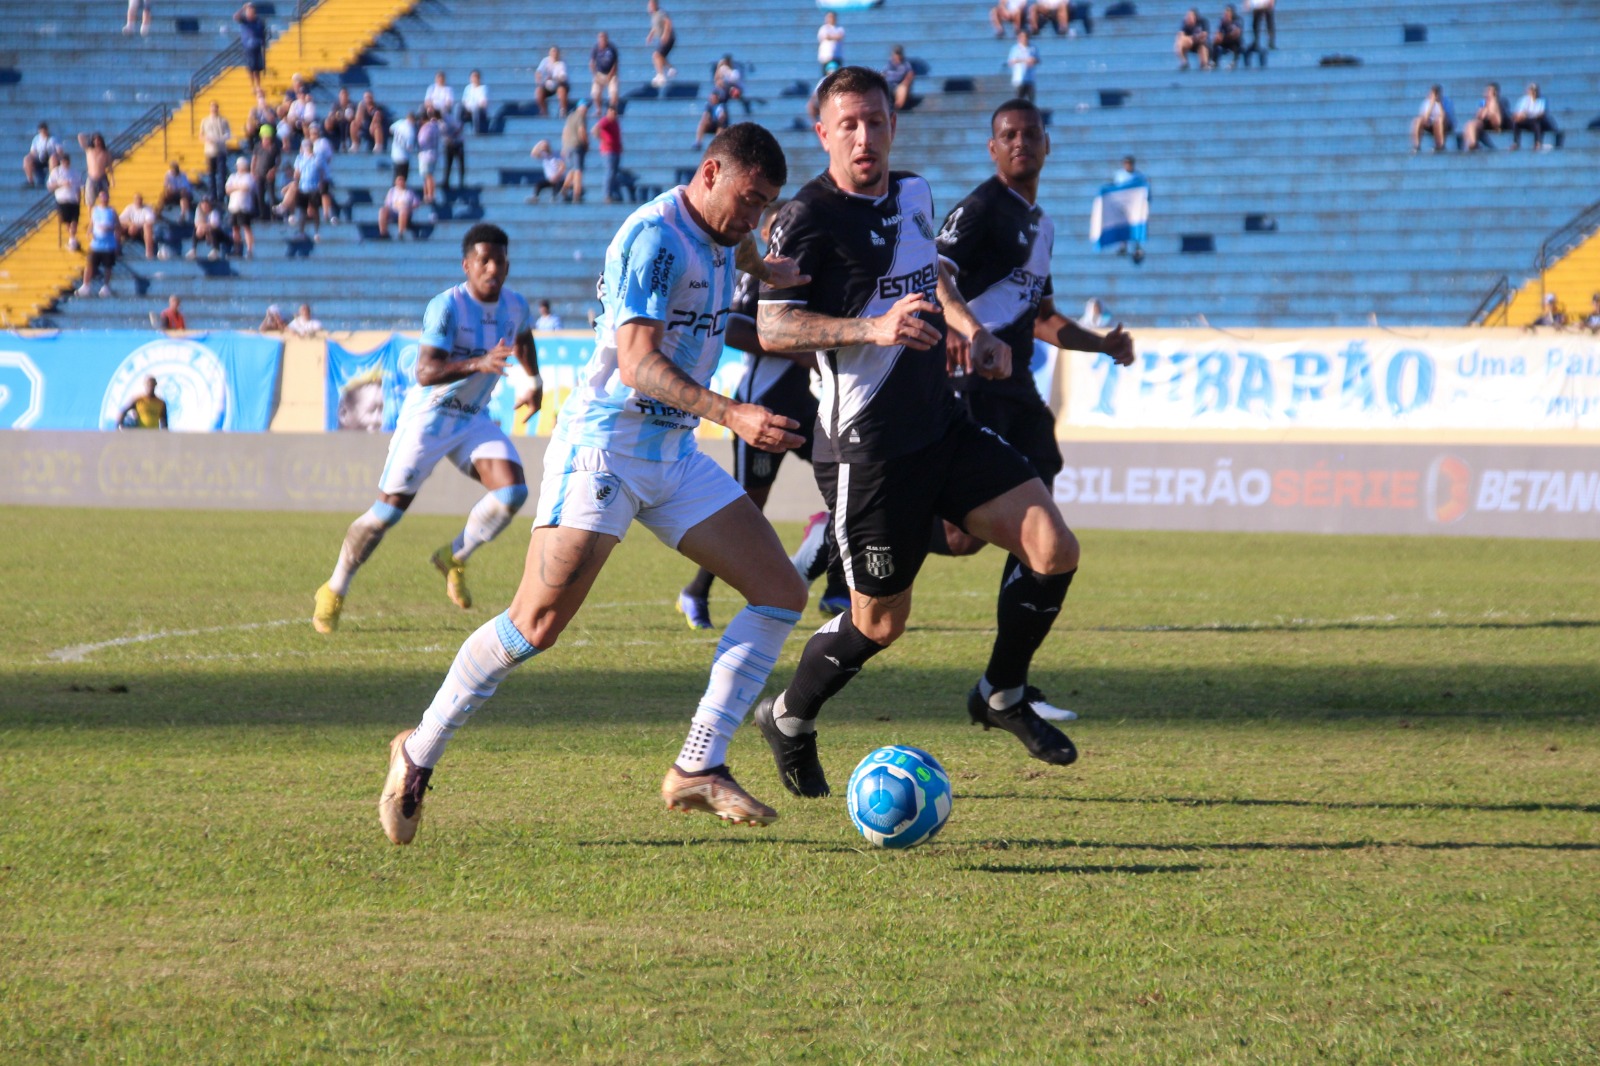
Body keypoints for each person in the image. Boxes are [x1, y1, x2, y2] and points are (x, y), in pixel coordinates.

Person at [375, 127, 809, 846]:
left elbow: (738, 248)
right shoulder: (654, 239)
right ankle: (417, 750)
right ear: (709, 173)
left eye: (765, 206)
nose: (752, 218)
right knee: (535, 625)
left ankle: (698, 765)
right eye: (748, 201)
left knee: (780, 592)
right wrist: (732, 412)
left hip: (672, 452)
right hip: (605, 448)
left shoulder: (725, 230)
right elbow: (638, 364)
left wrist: (768, 269)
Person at [751, 67, 1085, 798]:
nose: (864, 136)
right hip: (867, 451)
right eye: (848, 125)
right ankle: (790, 716)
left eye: (874, 121)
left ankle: (1001, 693)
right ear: (823, 134)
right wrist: (872, 327)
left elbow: (930, 273)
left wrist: (972, 331)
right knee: (878, 624)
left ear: (891, 125)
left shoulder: (914, 192)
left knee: (1052, 547)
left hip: (943, 425)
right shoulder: (804, 218)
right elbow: (771, 327)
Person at [933, 98, 1135, 726]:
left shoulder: (1040, 225)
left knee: (1034, 533)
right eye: (1007, 135)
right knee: (964, 537)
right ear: (992, 148)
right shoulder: (980, 208)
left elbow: (1041, 316)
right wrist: (967, 331)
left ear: (1047, 144)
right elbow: (933, 275)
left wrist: (1099, 343)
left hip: (1018, 392)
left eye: (1030, 133)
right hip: (971, 386)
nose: (1020, 143)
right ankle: (841, 534)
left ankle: (1006, 680)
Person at [314, 224, 539, 637]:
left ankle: (454, 555)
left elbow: (523, 338)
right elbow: (425, 371)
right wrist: (477, 363)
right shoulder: (448, 306)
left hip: (472, 419)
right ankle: (334, 588)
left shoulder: (516, 305)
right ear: (467, 265)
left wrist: (534, 382)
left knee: (512, 492)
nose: (492, 268)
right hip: (429, 420)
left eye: (500, 261)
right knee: (385, 515)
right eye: (483, 261)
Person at [677, 200, 849, 629]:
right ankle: (696, 590)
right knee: (748, 508)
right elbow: (733, 326)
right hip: (763, 407)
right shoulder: (763, 272)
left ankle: (836, 587)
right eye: (778, 230)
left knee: (851, 484)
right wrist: (795, 348)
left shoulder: (817, 273)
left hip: (813, 406)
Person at [78, 189, 120, 297]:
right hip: (96, 244)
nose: (103, 199)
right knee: (89, 264)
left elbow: (118, 226)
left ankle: (106, 286)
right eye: (101, 197)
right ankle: (86, 285)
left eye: (105, 197)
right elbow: (92, 224)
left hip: (109, 244)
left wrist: (111, 229)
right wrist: (89, 233)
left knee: (108, 266)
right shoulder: (95, 210)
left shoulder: (112, 211)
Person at [48, 152, 83, 252]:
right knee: (67, 222)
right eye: (63, 160)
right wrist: (61, 184)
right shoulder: (56, 172)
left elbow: (79, 187)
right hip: (62, 199)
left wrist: (79, 199)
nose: (65, 162)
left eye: (66, 160)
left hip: (73, 200)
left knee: (74, 222)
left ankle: (72, 240)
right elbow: (50, 186)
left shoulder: (75, 172)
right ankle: (72, 239)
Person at [225, 156, 258, 258]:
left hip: (244, 206)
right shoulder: (233, 176)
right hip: (233, 206)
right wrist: (238, 187)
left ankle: (249, 249)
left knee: (246, 228)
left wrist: (234, 187)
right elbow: (227, 189)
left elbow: (246, 187)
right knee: (235, 229)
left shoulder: (249, 177)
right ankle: (237, 248)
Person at [200, 101, 233, 201]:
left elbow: (228, 134)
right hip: (210, 151)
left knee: (221, 174)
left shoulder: (223, 120)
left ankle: (222, 195)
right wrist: (207, 139)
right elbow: (201, 135)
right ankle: (213, 195)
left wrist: (220, 139)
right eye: (212, 107)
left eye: (215, 107)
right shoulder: (205, 121)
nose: (214, 109)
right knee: (211, 174)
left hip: (221, 150)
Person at [1510, 83, 1558, 150]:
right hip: (1527, 121)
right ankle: (1516, 143)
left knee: (1536, 122)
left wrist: (1528, 115)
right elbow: (1518, 114)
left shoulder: (1543, 99)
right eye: (1532, 90)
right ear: (1528, 91)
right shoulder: (1523, 100)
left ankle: (1537, 143)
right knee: (1516, 123)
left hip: (1538, 121)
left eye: (1535, 90)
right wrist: (1523, 116)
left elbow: (1541, 114)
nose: (1534, 92)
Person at [1462, 82, 1507, 151]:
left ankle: (1473, 144)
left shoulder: (1500, 102)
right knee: (1469, 124)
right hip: (1483, 123)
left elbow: (1498, 120)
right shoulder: (1483, 102)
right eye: (1486, 91)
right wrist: (1485, 109)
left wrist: (1492, 103)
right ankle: (1472, 143)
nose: (1487, 93)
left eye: (1489, 91)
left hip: (1495, 123)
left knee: (1492, 106)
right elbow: (1479, 116)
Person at [1410, 84, 1454, 153]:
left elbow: (1444, 117)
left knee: (1439, 120)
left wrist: (1439, 103)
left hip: (1444, 124)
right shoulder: (1426, 102)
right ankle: (1416, 146)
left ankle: (1440, 145)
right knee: (1417, 120)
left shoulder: (1447, 101)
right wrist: (1431, 104)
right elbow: (1424, 118)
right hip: (1430, 124)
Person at [594, 104, 624, 203]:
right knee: (609, 172)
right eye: (612, 112)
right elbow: (595, 130)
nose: (613, 115)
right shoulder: (606, 120)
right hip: (608, 151)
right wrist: (603, 140)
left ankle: (614, 194)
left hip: (616, 150)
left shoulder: (615, 122)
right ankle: (607, 195)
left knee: (614, 173)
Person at [235, 3, 268, 94]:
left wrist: (263, 42)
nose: (250, 13)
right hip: (248, 47)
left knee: (257, 68)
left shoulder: (259, 22)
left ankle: (258, 86)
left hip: (257, 46)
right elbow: (236, 17)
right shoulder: (244, 20)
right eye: (249, 11)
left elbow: (263, 33)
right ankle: (252, 85)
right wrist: (243, 8)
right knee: (251, 68)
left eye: (252, 11)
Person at [560, 101, 589, 203]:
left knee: (572, 169)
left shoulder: (570, 116)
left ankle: (564, 189)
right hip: (576, 145)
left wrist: (563, 146)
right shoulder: (581, 116)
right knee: (578, 170)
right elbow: (582, 131)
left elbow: (564, 132)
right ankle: (577, 194)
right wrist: (586, 143)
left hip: (567, 146)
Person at [376, 173, 419, 238]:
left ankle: (401, 233)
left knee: (403, 210)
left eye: (402, 180)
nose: (401, 182)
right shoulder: (392, 191)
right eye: (399, 180)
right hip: (393, 211)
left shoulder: (409, 191)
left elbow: (416, 203)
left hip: (405, 212)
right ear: (396, 182)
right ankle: (383, 233)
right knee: (382, 210)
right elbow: (387, 204)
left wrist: (408, 208)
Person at [77, 132, 113, 206]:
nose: (97, 142)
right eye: (95, 140)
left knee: (105, 198)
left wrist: (112, 178)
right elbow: (80, 136)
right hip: (91, 177)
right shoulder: (89, 150)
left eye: (98, 140)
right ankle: (90, 216)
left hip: (102, 177)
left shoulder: (105, 152)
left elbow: (110, 166)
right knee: (90, 200)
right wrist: (90, 136)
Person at [646, 0, 677, 88]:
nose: (650, 6)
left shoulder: (661, 12)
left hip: (669, 37)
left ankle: (660, 75)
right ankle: (671, 68)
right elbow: (655, 27)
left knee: (656, 55)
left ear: (655, 4)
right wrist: (650, 35)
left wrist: (665, 34)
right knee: (659, 56)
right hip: (663, 38)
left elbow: (668, 22)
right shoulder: (654, 15)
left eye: (651, 4)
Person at [118, 191, 157, 258]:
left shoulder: (147, 209)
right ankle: (117, 251)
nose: (138, 201)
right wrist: (130, 224)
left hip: (141, 230)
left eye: (139, 199)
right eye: (136, 199)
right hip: (131, 228)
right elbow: (120, 219)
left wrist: (137, 226)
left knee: (147, 227)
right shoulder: (129, 208)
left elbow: (150, 220)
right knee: (117, 227)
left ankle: (149, 253)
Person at [415, 107, 441, 204]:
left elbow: (422, 141)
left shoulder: (427, 128)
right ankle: (427, 194)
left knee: (428, 175)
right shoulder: (434, 125)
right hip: (432, 153)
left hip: (426, 154)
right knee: (427, 176)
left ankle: (430, 195)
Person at [535, 47, 570, 118]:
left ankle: (563, 110)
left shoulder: (562, 63)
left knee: (561, 90)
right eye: (553, 52)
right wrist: (539, 80)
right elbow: (538, 72)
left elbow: (563, 77)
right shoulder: (545, 61)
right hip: (547, 85)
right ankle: (544, 111)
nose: (554, 54)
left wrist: (553, 78)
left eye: (556, 52)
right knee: (538, 91)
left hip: (559, 84)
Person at [23, 122, 61, 187]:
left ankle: (52, 181)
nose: (44, 132)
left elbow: (60, 151)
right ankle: (30, 180)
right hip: (39, 158)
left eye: (45, 130)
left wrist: (55, 156)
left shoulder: (54, 138)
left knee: (53, 158)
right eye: (42, 130)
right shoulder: (36, 139)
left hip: (51, 158)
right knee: (27, 159)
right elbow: (32, 152)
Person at [590, 31, 621, 111]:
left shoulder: (612, 48)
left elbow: (615, 63)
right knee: (595, 93)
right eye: (600, 39)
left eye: (604, 39)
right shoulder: (595, 48)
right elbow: (592, 63)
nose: (602, 41)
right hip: (599, 73)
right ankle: (598, 109)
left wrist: (611, 74)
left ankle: (612, 110)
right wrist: (595, 74)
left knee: (613, 92)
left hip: (611, 73)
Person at [1007, 30, 1040, 103]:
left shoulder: (1033, 48)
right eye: (1022, 37)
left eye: (1025, 37)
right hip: (1019, 79)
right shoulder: (1015, 49)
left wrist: (1034, 60)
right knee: (1018, 101)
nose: (1024, 39)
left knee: (1031, 102)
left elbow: (1038, 60)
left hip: (1030, 79)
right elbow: (1011, 61)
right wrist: (1024, 60)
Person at [882, 46, 916, 111]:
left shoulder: (906, 64)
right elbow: (883, 74)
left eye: (899, 54)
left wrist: (904, 83)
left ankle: (896, 108)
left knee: (902, 88)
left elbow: (910, 74)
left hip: (899, 85)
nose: (897, 56)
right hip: (888, 85)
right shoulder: (889, 64)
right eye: (896, 54)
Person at [441, 106, 466, 189]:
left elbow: (459, 128)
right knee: (448, 164)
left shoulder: (455, 118)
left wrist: (450, 136)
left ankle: (462, 182)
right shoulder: (442, 121)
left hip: (458, 143)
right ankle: (446, 181)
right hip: (449, 144)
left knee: (460, 163)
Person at [389, 111, 417, 181]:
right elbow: (409, 147)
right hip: (403, 157)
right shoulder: (410, 130)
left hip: (395, 154)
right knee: (402, 179)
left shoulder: (400, 122)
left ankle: (395, 190)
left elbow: (391, 129)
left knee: (395, 177)